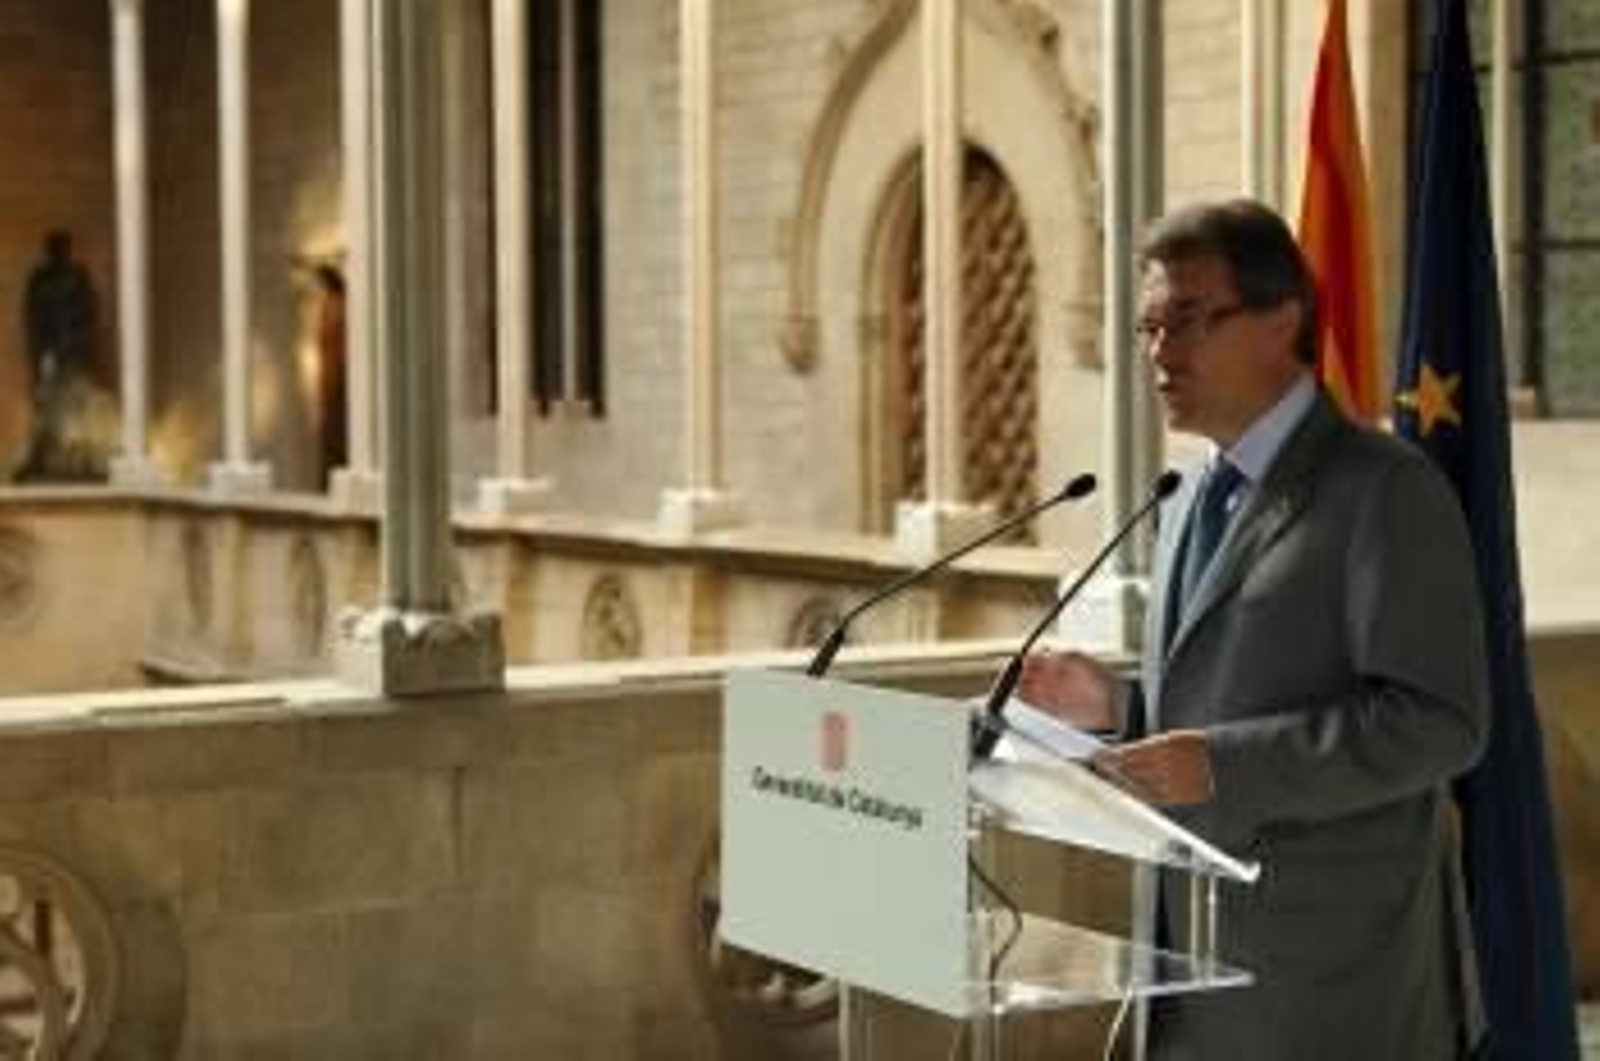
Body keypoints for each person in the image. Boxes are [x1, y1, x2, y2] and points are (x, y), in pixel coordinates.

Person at [1018, 199, 1489, 1058]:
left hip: (1334, 981)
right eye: (1149, 327)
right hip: (1189, 966)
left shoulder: (1383, 489)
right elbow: (1228, 692)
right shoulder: (1189, 492)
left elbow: (1441, 721)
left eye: (1190, 319)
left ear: (1283, 321)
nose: (1160, 352)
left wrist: (1223, 765)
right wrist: (1121, 705)